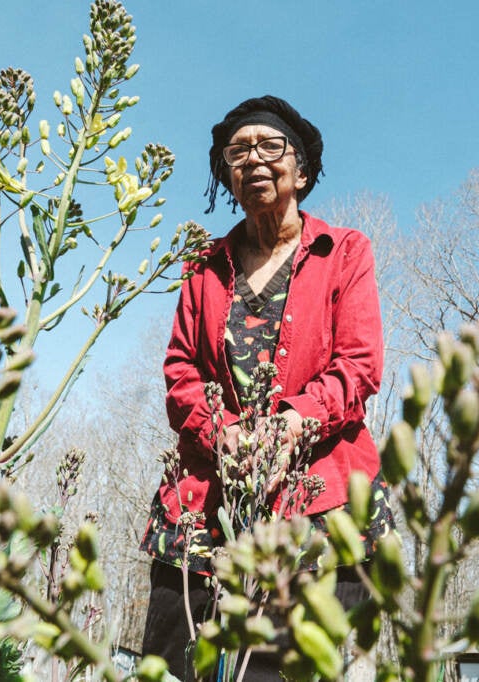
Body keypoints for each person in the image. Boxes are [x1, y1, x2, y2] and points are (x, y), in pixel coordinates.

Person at [139, 95, 392, 680]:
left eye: (271, 146)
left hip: (319, 495)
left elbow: (358, 364)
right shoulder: (202, 266)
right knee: (171, 664)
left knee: (284, 668)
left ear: (301, 171)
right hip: (207, 494)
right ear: (225, 174)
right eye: (237, 151)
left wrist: (289, 425)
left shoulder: (345, 252)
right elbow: (181, 371)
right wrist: (220, 433)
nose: (254, 158)